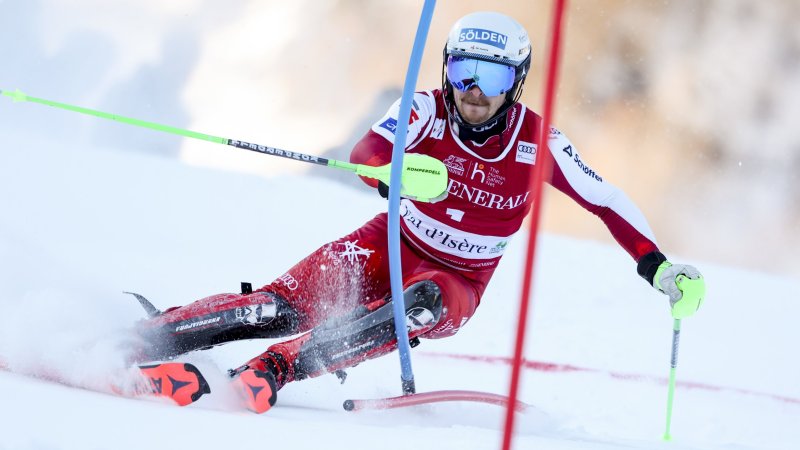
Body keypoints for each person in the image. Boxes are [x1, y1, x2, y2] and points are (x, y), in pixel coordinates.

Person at [134, 11, 705, 413]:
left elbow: (605, 199)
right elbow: (366, 153)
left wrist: (657, 266)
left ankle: (273, 370)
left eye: (493, 76)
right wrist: (395, 172)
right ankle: (143, 340)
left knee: (420, 306)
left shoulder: (538, 143)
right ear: (446, 70)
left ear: (517, 83)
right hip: (386, 244)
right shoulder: (423, 109)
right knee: (277, 308)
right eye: (462, 72)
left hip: (457, 280)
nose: (474, 90)